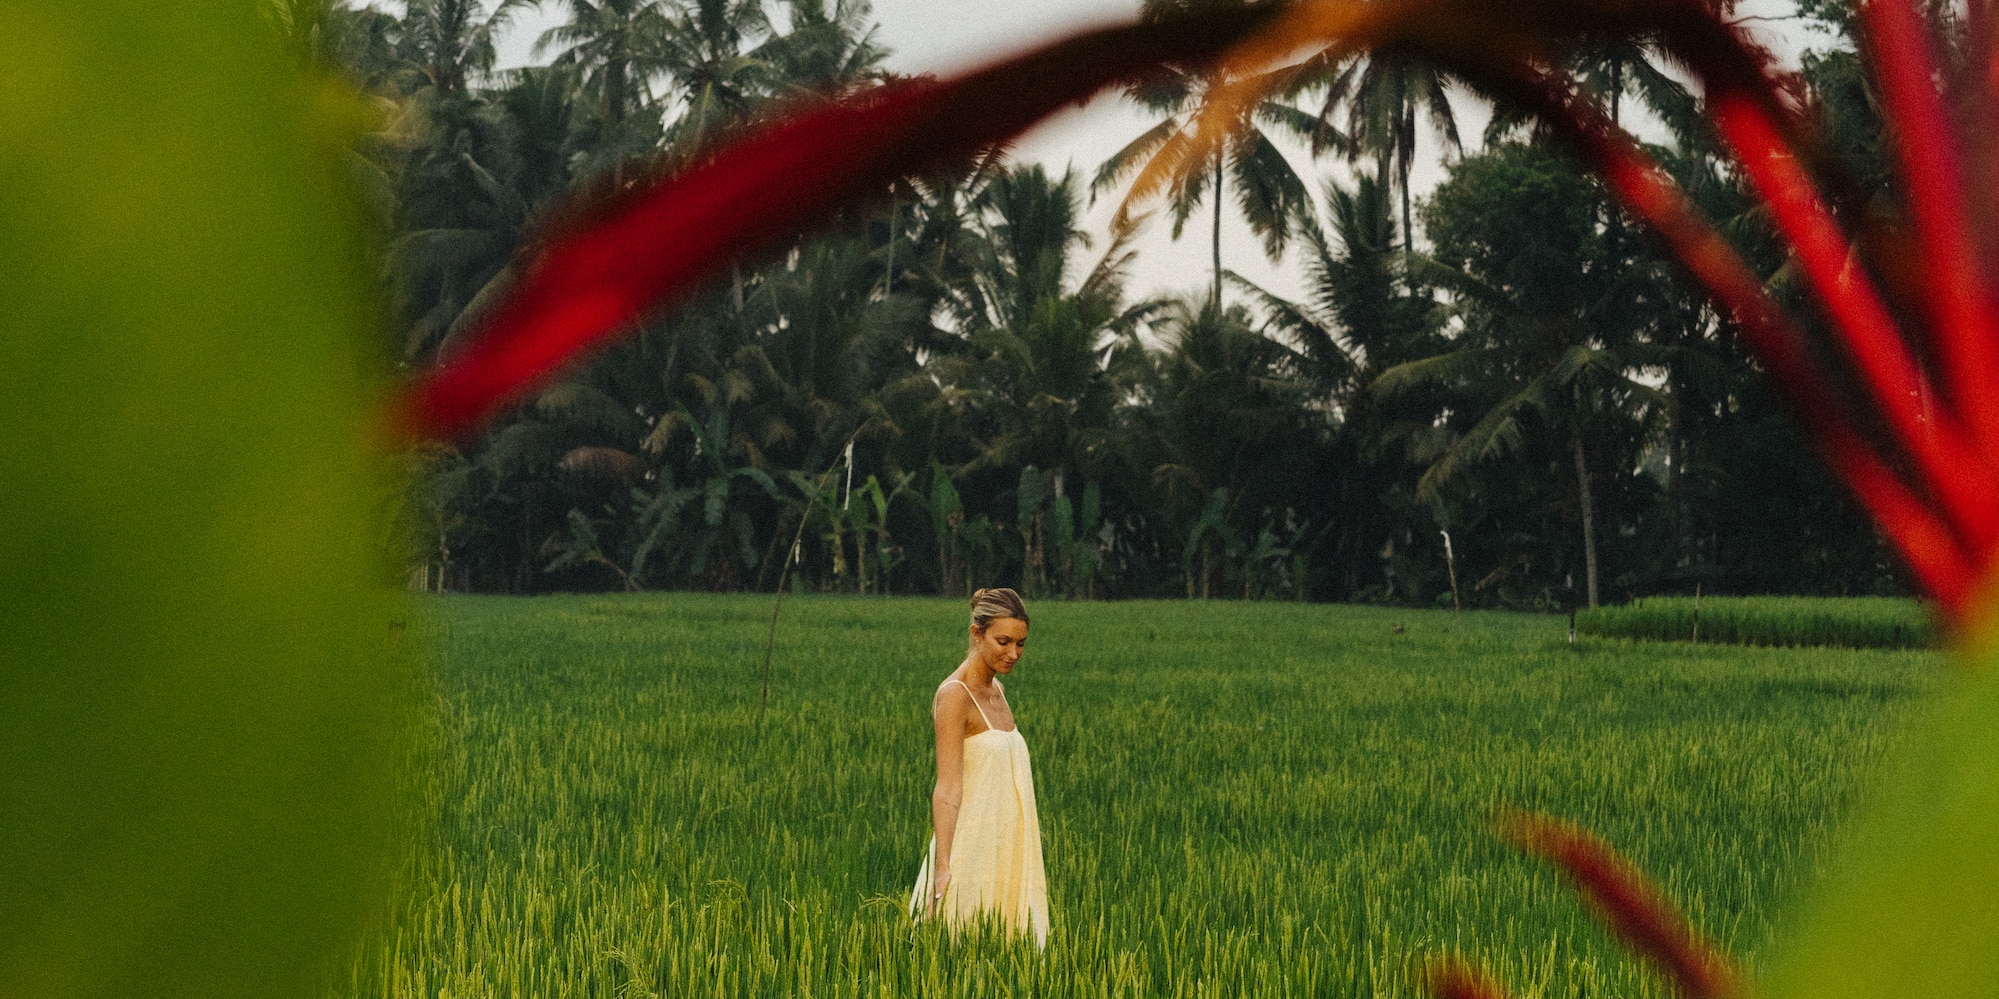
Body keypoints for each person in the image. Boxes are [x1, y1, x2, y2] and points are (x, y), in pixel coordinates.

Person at [908, 587, 1048, 948]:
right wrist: (943, 868)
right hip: (973, 850)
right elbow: (948, 787)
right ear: (976, 634)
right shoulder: (955, 696)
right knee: (961, 951)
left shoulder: (997, 690)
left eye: (1021, 644)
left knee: (1012, 955)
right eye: (1003, 641)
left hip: (1010, 847)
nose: (1013, 653)